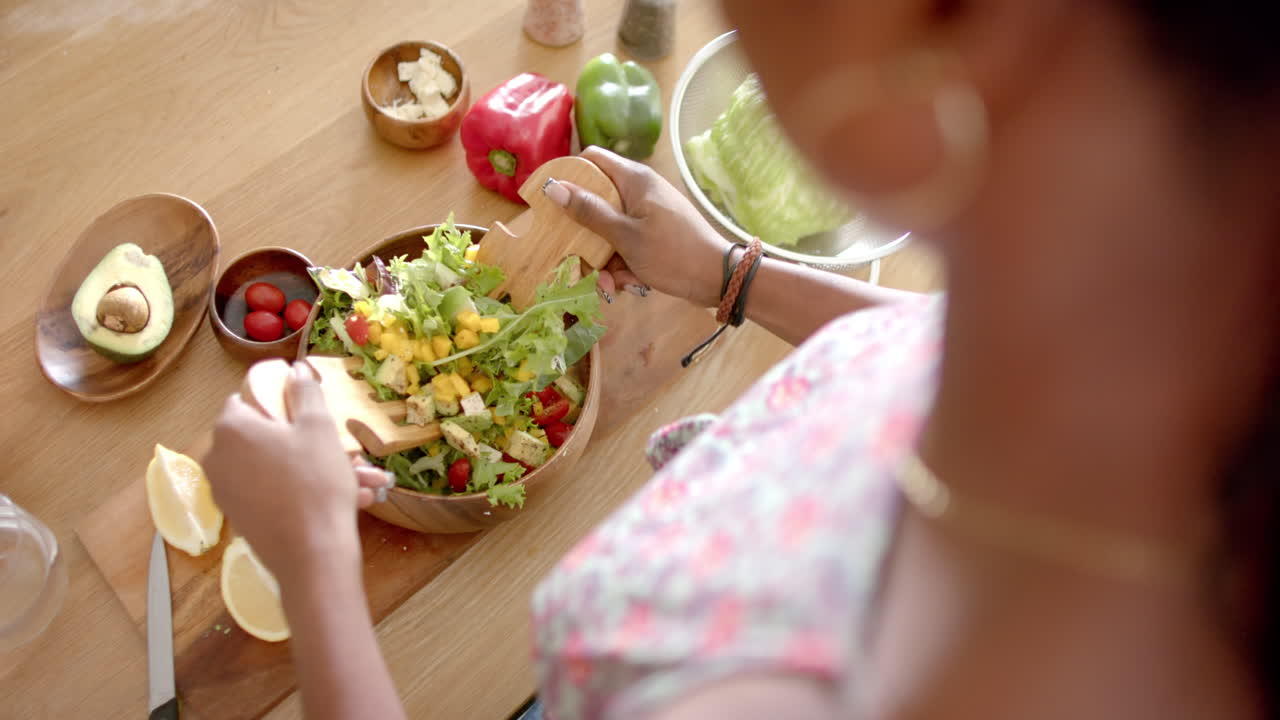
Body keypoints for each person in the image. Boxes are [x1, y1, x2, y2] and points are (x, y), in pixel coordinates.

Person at [202, 0, 1280, 717]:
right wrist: (729, 272)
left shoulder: (755, 697)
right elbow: (910, 341)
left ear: (957, 31)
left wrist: (314, 573)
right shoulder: (1157, 326)